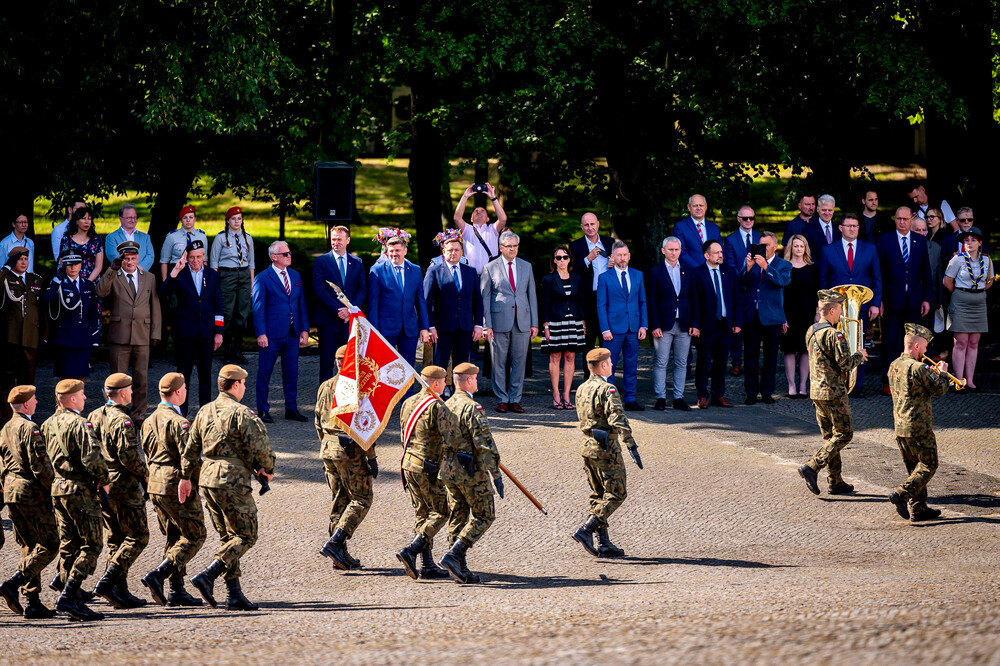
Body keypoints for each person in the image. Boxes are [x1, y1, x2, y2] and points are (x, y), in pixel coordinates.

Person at [181, 364, 276, 611]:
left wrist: (185, 477)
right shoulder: (242, 413)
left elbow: (190, 449)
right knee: (245, 535)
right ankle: (208, 575)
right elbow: (262, 447)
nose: (244, 387)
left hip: (207, 479)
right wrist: (268, 468)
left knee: (228, 536)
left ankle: (234, 594)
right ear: (236, 385)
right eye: (243, 384)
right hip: (232, 480)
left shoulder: (204, 411)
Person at [41, 378, 109, 621]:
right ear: (71, 399)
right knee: (91, 545)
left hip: (58, 488)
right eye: (81, 395)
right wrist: (105, 479)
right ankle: (69, 596)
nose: (85, 399)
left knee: (69, 544)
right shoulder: (81, 424)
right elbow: (93, 458)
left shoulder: (47, 423)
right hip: (79, 489)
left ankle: (73, 594)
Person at [138, 372, 206, 608]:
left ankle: (177, 590)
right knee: (195, 534)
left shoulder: (148, 420)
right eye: (185, 387)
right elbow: (189, 457)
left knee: (174, 536)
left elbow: (146, 453)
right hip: (175, 482)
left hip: (155, 483)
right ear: (178, 392)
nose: (186, 390)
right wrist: (191, 480)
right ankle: (159, 574)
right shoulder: (179, 422)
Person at [570, 348, 643, 558]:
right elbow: (617, 417)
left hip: (587, 447)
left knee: (599, 494)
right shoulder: (607, 389)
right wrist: (630, 444)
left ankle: (604, 543)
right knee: (617, 493)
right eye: (610, 362)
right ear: (603, 365)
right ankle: (586, 529)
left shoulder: (582, 388)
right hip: (606, 448)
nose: (612, 365)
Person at [86, 373, 149, 610]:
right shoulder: (122, 420)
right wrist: (145, 474)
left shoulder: (94, 415)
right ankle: (108, 582)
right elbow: (129, 456)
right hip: (123, 485)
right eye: (130, 390)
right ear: (122, 393)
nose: (132, 393)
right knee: (138, 536)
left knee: (116, 538)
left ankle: (119, 591)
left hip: (102, 484)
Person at [797, 290, 867, 497]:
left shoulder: (811, 330)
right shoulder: (833, 334)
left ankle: (835, 481)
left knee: (830, 438)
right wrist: (859, 356)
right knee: (844, 434)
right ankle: (812, 466)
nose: (840, 315)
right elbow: (845, 364)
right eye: (839, 310)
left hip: (816, 391)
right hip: (833, 392)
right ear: (832, 309)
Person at [395, 366, 462, 581]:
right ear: (435, 384)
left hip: (408, 464)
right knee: (441, 511)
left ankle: (428, 564)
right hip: (428, 467)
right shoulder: (437, 406)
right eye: (443, 382)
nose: (445, 385)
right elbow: (451, 439)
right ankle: (412, 550)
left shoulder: (408, 402)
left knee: (423, 512)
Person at [438, 362, 503, 583]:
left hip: (448, 469)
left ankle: (458, 565)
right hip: (470, 471)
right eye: (475, 378)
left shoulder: (445, 404)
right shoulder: (472, 408)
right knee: (484, 515)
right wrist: (496, 474)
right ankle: (454, 555)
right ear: (468, 380)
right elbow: (484, 443)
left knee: (458, 514)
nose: (476, 382)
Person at [0, 385, 59, 620]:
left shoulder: (5, 428)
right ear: (26, 404)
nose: (36, 402)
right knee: (50, 544)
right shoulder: (30, 428)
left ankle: (33, 601)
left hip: (10, 491)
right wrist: (53, 489)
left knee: (29, 546)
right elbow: (40, 466)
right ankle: (13, 583)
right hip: (29, 492)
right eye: (34, 399)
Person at [318, 345, 377, 572]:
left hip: (328, 448)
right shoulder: (357, 389)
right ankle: (336, 542)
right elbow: (366, 424)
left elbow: (317, 419)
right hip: (348, 449)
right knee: (362, 498)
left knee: (339, 499)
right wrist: (371, 457)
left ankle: (338, 556)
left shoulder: (325, 386)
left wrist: (325, 444)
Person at [886, 324, 953, 523]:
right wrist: (942, 372)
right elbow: (940, 390)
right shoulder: (919, 367)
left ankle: (918, 508)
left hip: (900, 426)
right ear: (916, 346)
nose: (925, 351)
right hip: (918, 426)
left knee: (913, 468)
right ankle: (901, 494)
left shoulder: (894, 364)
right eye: (924, 347)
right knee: (929, 464)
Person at [96, 240, 162, 423]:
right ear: (121, 259)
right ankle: (117, 413)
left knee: (142, 378)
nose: (130, 262)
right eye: (126, 259)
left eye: (133, 258)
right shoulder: (114, 275)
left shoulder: (149, 277)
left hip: (142, 333)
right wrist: (112, 269)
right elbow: (100, 291)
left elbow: (155, 305)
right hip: (120, 334)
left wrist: (156, 333)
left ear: (138, 258)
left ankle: (139, 414)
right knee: (117, 378)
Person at [817, 212, 882, 396]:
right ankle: (838, 383)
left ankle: (857, 385)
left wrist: (875, 304)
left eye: (855, 226)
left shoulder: (870, 249)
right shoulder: (828, 250)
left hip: (860, 306)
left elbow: (877, 278)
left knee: (858, 344)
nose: (852, 229)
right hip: (834, 309)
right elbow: (823, 282)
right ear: (841, 228)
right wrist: (822, 307)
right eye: (849, 225)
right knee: (836, 346)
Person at [162, 240, 224, 414]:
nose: (195, 260)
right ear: (186, 257)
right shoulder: (180, 274)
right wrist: (175, 270)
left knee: (205, 374)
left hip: (206, 332)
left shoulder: (212, 275)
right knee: (183, 376)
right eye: (191, 257)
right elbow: (164, 292)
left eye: (199, 257)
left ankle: (205, 413)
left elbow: (218, 304)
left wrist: (219, 332)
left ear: (204, 257)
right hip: (185, 333)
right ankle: (182, 412)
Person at [252, 240, 310, 423]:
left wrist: (304, 329)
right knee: (265, 372)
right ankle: (262, 409)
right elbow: (258, 308)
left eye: (290, 253)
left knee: (292, 372)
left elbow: (301, 304)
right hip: (271, 334)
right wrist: (261, 333)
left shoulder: (295, 276)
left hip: (292, 332)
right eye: (285, 254)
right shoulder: (262, 278)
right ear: (274, 257)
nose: (289, 256)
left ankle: (291, 408)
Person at [481, 231, 538, 413]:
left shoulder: (526, 266)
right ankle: (501, 399)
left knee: (519, 362)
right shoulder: (490, 267)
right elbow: (485, 298)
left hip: (522, 320)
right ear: (501, 248)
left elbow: (532, 296)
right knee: (498, 361)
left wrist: (534, 322)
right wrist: (486, 325)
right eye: (509, 246)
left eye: (515, 246)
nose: (512, 249)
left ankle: (515, 398)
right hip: (498, 321)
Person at [877, 207, 932, 394]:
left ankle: (911, 380)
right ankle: (889, 380)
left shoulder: (920, 241)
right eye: (898, 219)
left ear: (912, 219)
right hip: (891, 300)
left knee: (913, 342)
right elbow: (879, 274)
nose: (902, 222)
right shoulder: (885, 240)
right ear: (895, 220)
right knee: (890, 342)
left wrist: (927, 298)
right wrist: (879, 300)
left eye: (905, 219)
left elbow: (926, 272)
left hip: (914, 300)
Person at [424, 234, 483, 396]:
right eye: (450, 250)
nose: (453, 253)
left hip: (465, 326)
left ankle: (461, 395)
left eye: (457, 250)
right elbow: (426, 302)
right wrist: (430, 326)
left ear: (462, 252)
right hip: (442, 327)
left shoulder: (470, 272)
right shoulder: (434, 271)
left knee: (462, 365)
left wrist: (478, 324)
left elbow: (477, 300)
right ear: (443, 252)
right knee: (440, 364)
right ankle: (437, 396)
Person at [738, 231, 791, 404]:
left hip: (773, 317)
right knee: (751, 356)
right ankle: (751, 393)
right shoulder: (752, 262)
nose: (763, 248)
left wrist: (766, 267)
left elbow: (782, 281)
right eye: (761, 245)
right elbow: (741, 283)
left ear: (775, 246)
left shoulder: (783, 264)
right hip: (752, 315)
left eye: (766, 245)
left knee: (771, 356)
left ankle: (767, 392)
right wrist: (748, 267)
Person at [689, 239, 741, 408]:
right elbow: (694, 301)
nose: (721, 255)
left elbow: (735, 298)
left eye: (721, 252)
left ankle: (718, 395)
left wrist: (736, 321)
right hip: (705, 326)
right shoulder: (697, 273)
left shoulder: (729, 271)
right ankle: (702, 395)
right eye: (717, 253)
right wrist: (695, 324)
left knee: (721, 362)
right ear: (706, 255)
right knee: (704, 361)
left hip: (725, 324)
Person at [597, 241, 648, 410]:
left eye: (625, 254)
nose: (622, 258)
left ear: (629, 256)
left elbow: (642, 301)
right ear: (612, 256)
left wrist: (643, 325)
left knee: (631, 364)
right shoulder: (604, 277)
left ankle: (630, 398)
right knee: (608, 365)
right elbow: (601, 305)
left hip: (633, 328)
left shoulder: (638, 275)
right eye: (619, 255)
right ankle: (610, 400)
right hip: (612, 329)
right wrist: (605, 329)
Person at [312, 224, 364, 383]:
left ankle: (346, 398)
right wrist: (338, 310)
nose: (336, 242)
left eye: (339, 239)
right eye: (333, 239)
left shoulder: (357, 262)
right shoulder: (321, 261)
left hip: (349, 320)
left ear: (347, 240)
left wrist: (350, 310)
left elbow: (362, 289)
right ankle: (325, 399)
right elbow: (319, 290)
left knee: (348, 361)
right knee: (327, 362)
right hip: (327, 320)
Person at [944, 230, 994, 391]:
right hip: (961, 302)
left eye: (974, 240)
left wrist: (977, 292)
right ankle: (959, 381)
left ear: (980, 243)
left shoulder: (986, 259)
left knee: (974, 342)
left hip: (979, 303)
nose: (970, 242)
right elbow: (947, 281)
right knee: (961, 342)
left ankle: (970, 381)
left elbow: (989, 281)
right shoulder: (957, 259)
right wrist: (960, 294)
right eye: (967, 240)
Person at [647, 236, 693, 411]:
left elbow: (693, 299)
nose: (674, 253)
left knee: (681, 362)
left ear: (680, 251)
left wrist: (694, 323)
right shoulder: (655, 272)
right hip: (663, 325)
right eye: (670, 249)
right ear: (663, 251)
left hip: (684, 324)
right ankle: (660, 397)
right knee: (661, 361)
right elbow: (652, 300)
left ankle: (678, 397)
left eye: (677, 250)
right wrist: (655, 325)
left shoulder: (688, 271)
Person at [0, 247, 45, 423]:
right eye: (20, 259)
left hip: (30, 338)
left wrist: (44, 335)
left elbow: (42, 310)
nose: (24, 262)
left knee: (27, 383)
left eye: (26, 259)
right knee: (6, 381)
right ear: (13, 262)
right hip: (10, 338)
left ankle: (26, 418)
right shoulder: (6, 279)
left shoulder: (36, 279)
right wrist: (5, 268)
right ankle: (5, 418)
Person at [539, 245, 585, 409]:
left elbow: (580, 300)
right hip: (554, 321)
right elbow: (544, 303)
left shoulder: (576, 278)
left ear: (569, 259)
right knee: (555, 357)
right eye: (558, 257)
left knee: (571, 357)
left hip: (573, 320)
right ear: (554, 260)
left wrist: (583, 321)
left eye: (565, 257)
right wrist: (545, 325)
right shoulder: (548, 279)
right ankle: (556, 395)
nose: (562, 260)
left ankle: (567, 394)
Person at [210, 206, 256, 364]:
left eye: (239, 218)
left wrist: (251, 284)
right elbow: (214, 262)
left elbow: (251, 263)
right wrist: (215, 284)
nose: (237, 221)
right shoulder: (221, 238)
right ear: (228, 221)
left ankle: (238, 351)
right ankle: (227, 351)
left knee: (242, 314)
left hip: (243, 275)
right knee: (227, 313)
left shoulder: (247, 238)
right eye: (233, 219)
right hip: (226, 275)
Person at [44, 252, 100, 379]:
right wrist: (57, 280)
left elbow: (93, 314)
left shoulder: (88, 285)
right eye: (69, 265)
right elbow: (47, 299)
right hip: (65, 337)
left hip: (83, 337)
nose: (73, 268)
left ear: (81, 265)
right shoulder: (59, 283)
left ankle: (79, 399)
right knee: (65, 378)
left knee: (81, 377)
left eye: (76, 264)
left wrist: (95, 339)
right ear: (64, 266)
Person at [569, 213, 615, 363]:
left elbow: (622, 266)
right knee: (588, 340)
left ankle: (606, 377)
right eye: (586, 225)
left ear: (598, 224)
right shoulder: (576, 246)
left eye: (592, 224)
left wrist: (614, 266)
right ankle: (588, 379)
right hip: (588, 297)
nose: (590, 228)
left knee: (607, 337)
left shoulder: (609, 242)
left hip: (609, 297)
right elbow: (572, 271)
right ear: (582, 227)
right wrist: (587, 259)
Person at [724, 206, 760, 377]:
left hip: (756, 288)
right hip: (738, 288)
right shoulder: (730, 240)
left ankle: (752, 362)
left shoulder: (761, 237)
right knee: (737, 327)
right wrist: (744, 271)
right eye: (744, 218)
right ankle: (736, 362)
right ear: (738, 218)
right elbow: (730, 266)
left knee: (755, 328)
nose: (748, 221)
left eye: (751, 218)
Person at [781, 235, 819, 399]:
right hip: (788, 313)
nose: (798, 249)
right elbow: (779, 293)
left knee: (805, 351)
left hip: (808, 313)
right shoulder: (784, 267)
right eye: (795, 246)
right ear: (791, 247)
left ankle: (803, 385)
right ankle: (792, 385)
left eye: (801, 246)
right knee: (789, 350)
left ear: (805, 248)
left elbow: (818, 292)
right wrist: (781, 317)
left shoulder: (813, 268)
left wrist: (818, 312)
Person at [453, 183, 507, 276]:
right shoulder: (467, 230)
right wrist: (465, 196)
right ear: (471, 219)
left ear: (487, 219)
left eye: (482, 211)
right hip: (472, 277)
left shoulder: (492, 229)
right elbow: (457, 218)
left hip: (492, 277)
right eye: (476, 211)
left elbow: (503, 219)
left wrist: (493, 198)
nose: (479, 212)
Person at [910, 216, 944, 345]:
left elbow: (938, 275)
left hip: (930, 299)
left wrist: (939, 301)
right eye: (918, 230)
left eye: (924, 230)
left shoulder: (935, 248)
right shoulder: (906, 247)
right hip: (910, 299)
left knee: (926, 337)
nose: (922, 233)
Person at [160, 205, 208, 282]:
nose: (188, 220)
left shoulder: (202, 236)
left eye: (191, 217)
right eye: (185, 218)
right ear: (181, 220)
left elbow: (204, 260)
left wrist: (205, 278)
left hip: (196, 272)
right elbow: (164, 261)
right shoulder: (172, 236)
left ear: (195, 219)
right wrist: (165, 283)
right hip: (178, 272)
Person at [673, 194, 721, 270]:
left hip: (713, 271)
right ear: (689, 207)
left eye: (701, 205)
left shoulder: (715, 228)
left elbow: (721, 251)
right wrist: (700, 269)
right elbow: (681, 252)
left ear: (706, 207)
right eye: (695, 206)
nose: (698, 208)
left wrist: (714, 265)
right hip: (692, 273)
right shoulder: (680, 227)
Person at [104, 204, 155, 271]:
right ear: (120, 218)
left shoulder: (145, 237)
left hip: (142, 276)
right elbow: (114, 257)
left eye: (135, 217)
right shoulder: (111, 238)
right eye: (129, 218)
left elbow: (150, 256)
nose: (133, 220)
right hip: (121, 277)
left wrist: (140, 269)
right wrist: (132, 269)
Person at [59, 206, 104, 282]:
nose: (87, 222)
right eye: (83, 218)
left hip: (92, 281)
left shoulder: (96, 240)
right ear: (76, 221)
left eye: (89, 219)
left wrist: (88, 282)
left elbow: (98, 266)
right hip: (72, 281)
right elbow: (63, 264)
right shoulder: (67, 240)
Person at [803, 194, 841, 260]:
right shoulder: (808, 229)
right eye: (824, 210)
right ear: (818, 209)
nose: (827, 213)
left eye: (830, 210)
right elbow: (808, 255)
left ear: (833, 210)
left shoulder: (839, 228)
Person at [50, 196, 86, 261]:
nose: (82, 213)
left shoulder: (87, 228)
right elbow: (58, 258)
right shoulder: (59, 230)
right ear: (70, 210)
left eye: (83, 210)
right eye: (78, 209)